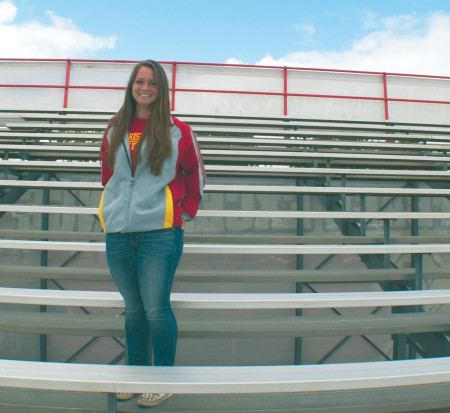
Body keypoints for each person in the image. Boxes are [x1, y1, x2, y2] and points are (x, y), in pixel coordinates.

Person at [99, 59, 206, 407]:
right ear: (131, 86)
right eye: (139, 81)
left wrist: (185, 209)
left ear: (162, 90)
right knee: (133, 308)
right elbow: (108, 173)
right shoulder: (115, 127)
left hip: (160, 232)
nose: (145, 88)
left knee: (156, 309)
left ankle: (163, 378)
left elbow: (195, 174)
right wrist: (114, 206)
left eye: (153, 83)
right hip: (118, 231)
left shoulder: (179, 131)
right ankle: (136, 373)